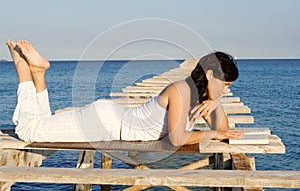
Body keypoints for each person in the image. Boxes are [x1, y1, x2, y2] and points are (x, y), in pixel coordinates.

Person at [6, 39, 243, 146]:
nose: (226, 90)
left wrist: (216, 105)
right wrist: (211, 134)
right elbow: (178, 138)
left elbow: (224, 132)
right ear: (210, 75)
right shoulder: (182, 90)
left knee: (41, 124)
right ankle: (22, 69)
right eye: (226, 84)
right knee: (29, 131)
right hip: (103, 124)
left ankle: (38, 73)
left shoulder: (200, 98)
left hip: (109, 122)